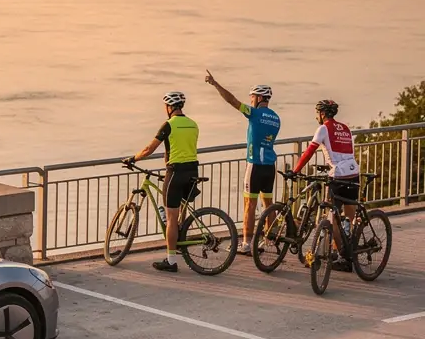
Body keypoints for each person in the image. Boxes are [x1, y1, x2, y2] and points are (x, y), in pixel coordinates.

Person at [205, 73, 280, 254]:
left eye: (252, 97)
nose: (251, 100)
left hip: (254, 164)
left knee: (249, 204)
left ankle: (246, 244)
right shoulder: (276, 118)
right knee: (268, 204)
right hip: (270, 165)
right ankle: (271, 240)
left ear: (260, 97)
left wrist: (216, 84)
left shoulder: (253, 113)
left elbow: (231, 100)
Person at [130, 91, 199, 273]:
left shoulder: (168, 125)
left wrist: (133, 159)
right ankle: (178, 239)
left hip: (175, 172)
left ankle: (171, 260)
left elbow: (149, 149)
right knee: (178, 212)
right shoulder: (193, 124)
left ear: (169, 107)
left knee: (170, 218)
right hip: (192, 171)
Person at [288, 99, 360, 271]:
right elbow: (344, 152)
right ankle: (354, 249)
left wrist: (296, 170)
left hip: (338, 176)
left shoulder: (323, 128)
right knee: (351, 216)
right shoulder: (345, 128)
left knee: (331, 218)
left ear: (322, 114)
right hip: (353, 173)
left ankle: (342, 254)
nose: (316, 116)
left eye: (316, 113)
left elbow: (309, 151)